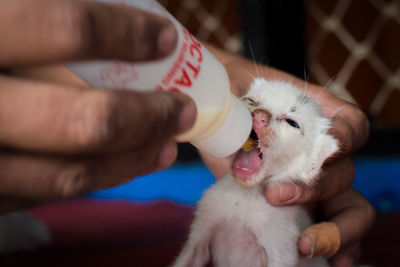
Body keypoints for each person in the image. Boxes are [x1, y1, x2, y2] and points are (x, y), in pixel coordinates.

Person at [0, 0, 374, 266]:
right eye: (253, 104)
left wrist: (216, 70)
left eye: (291, 123)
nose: (258, 118)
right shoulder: (218, 199)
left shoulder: (282, 198)